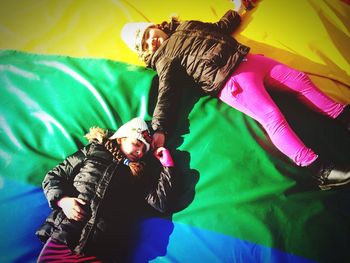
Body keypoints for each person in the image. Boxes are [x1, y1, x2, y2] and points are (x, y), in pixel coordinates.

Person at [120, 0, 350, 190]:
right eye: (145, 44)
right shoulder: (164, 59)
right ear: (146, 52)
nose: (152, 41)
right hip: (230, 81)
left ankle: (344, 116)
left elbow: (219, 28)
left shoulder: (185, 26)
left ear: (154, 27)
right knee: (272, 117)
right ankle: (319, 169)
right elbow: (166, 94)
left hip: (248, 60)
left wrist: (239, 9)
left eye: (148, 34)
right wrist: (160, 129)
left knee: (300, 81)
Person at [36, 117, 175, 262]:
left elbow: (160, 202)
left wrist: (167, 167)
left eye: (144, 150)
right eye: (136, 143)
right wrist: (64, 202)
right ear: (121, 138)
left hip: (101, 250)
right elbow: (54, 176)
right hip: (64, 237)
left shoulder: (138, 174)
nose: (139, 151)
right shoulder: (93, 150)